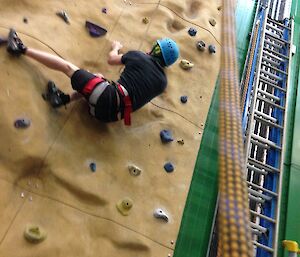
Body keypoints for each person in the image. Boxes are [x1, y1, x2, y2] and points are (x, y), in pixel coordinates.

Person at [6, 29, 179, 125]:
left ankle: (20, 48)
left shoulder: (140, 56)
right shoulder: (163, 83)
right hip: (108, 117)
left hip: (106, 97)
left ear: (156, 50)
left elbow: (112, 60)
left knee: (67, 67)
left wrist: (115, 47)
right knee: (98, 78)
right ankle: (62, 99)